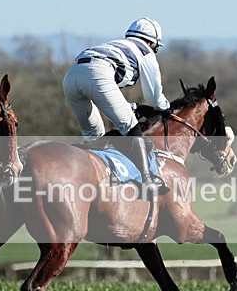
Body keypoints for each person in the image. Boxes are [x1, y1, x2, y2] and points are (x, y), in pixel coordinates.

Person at [63, 17, 171, 195]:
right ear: (152, 42)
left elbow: (105, 93)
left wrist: (134, 107)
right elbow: (154, 98)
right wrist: (165, 108)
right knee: (130, 126)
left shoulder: (117, 45)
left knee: (94, 138)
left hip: (71, 76)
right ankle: (148, 179)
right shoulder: (145, 52)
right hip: (97, 73)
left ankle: (86, 181)